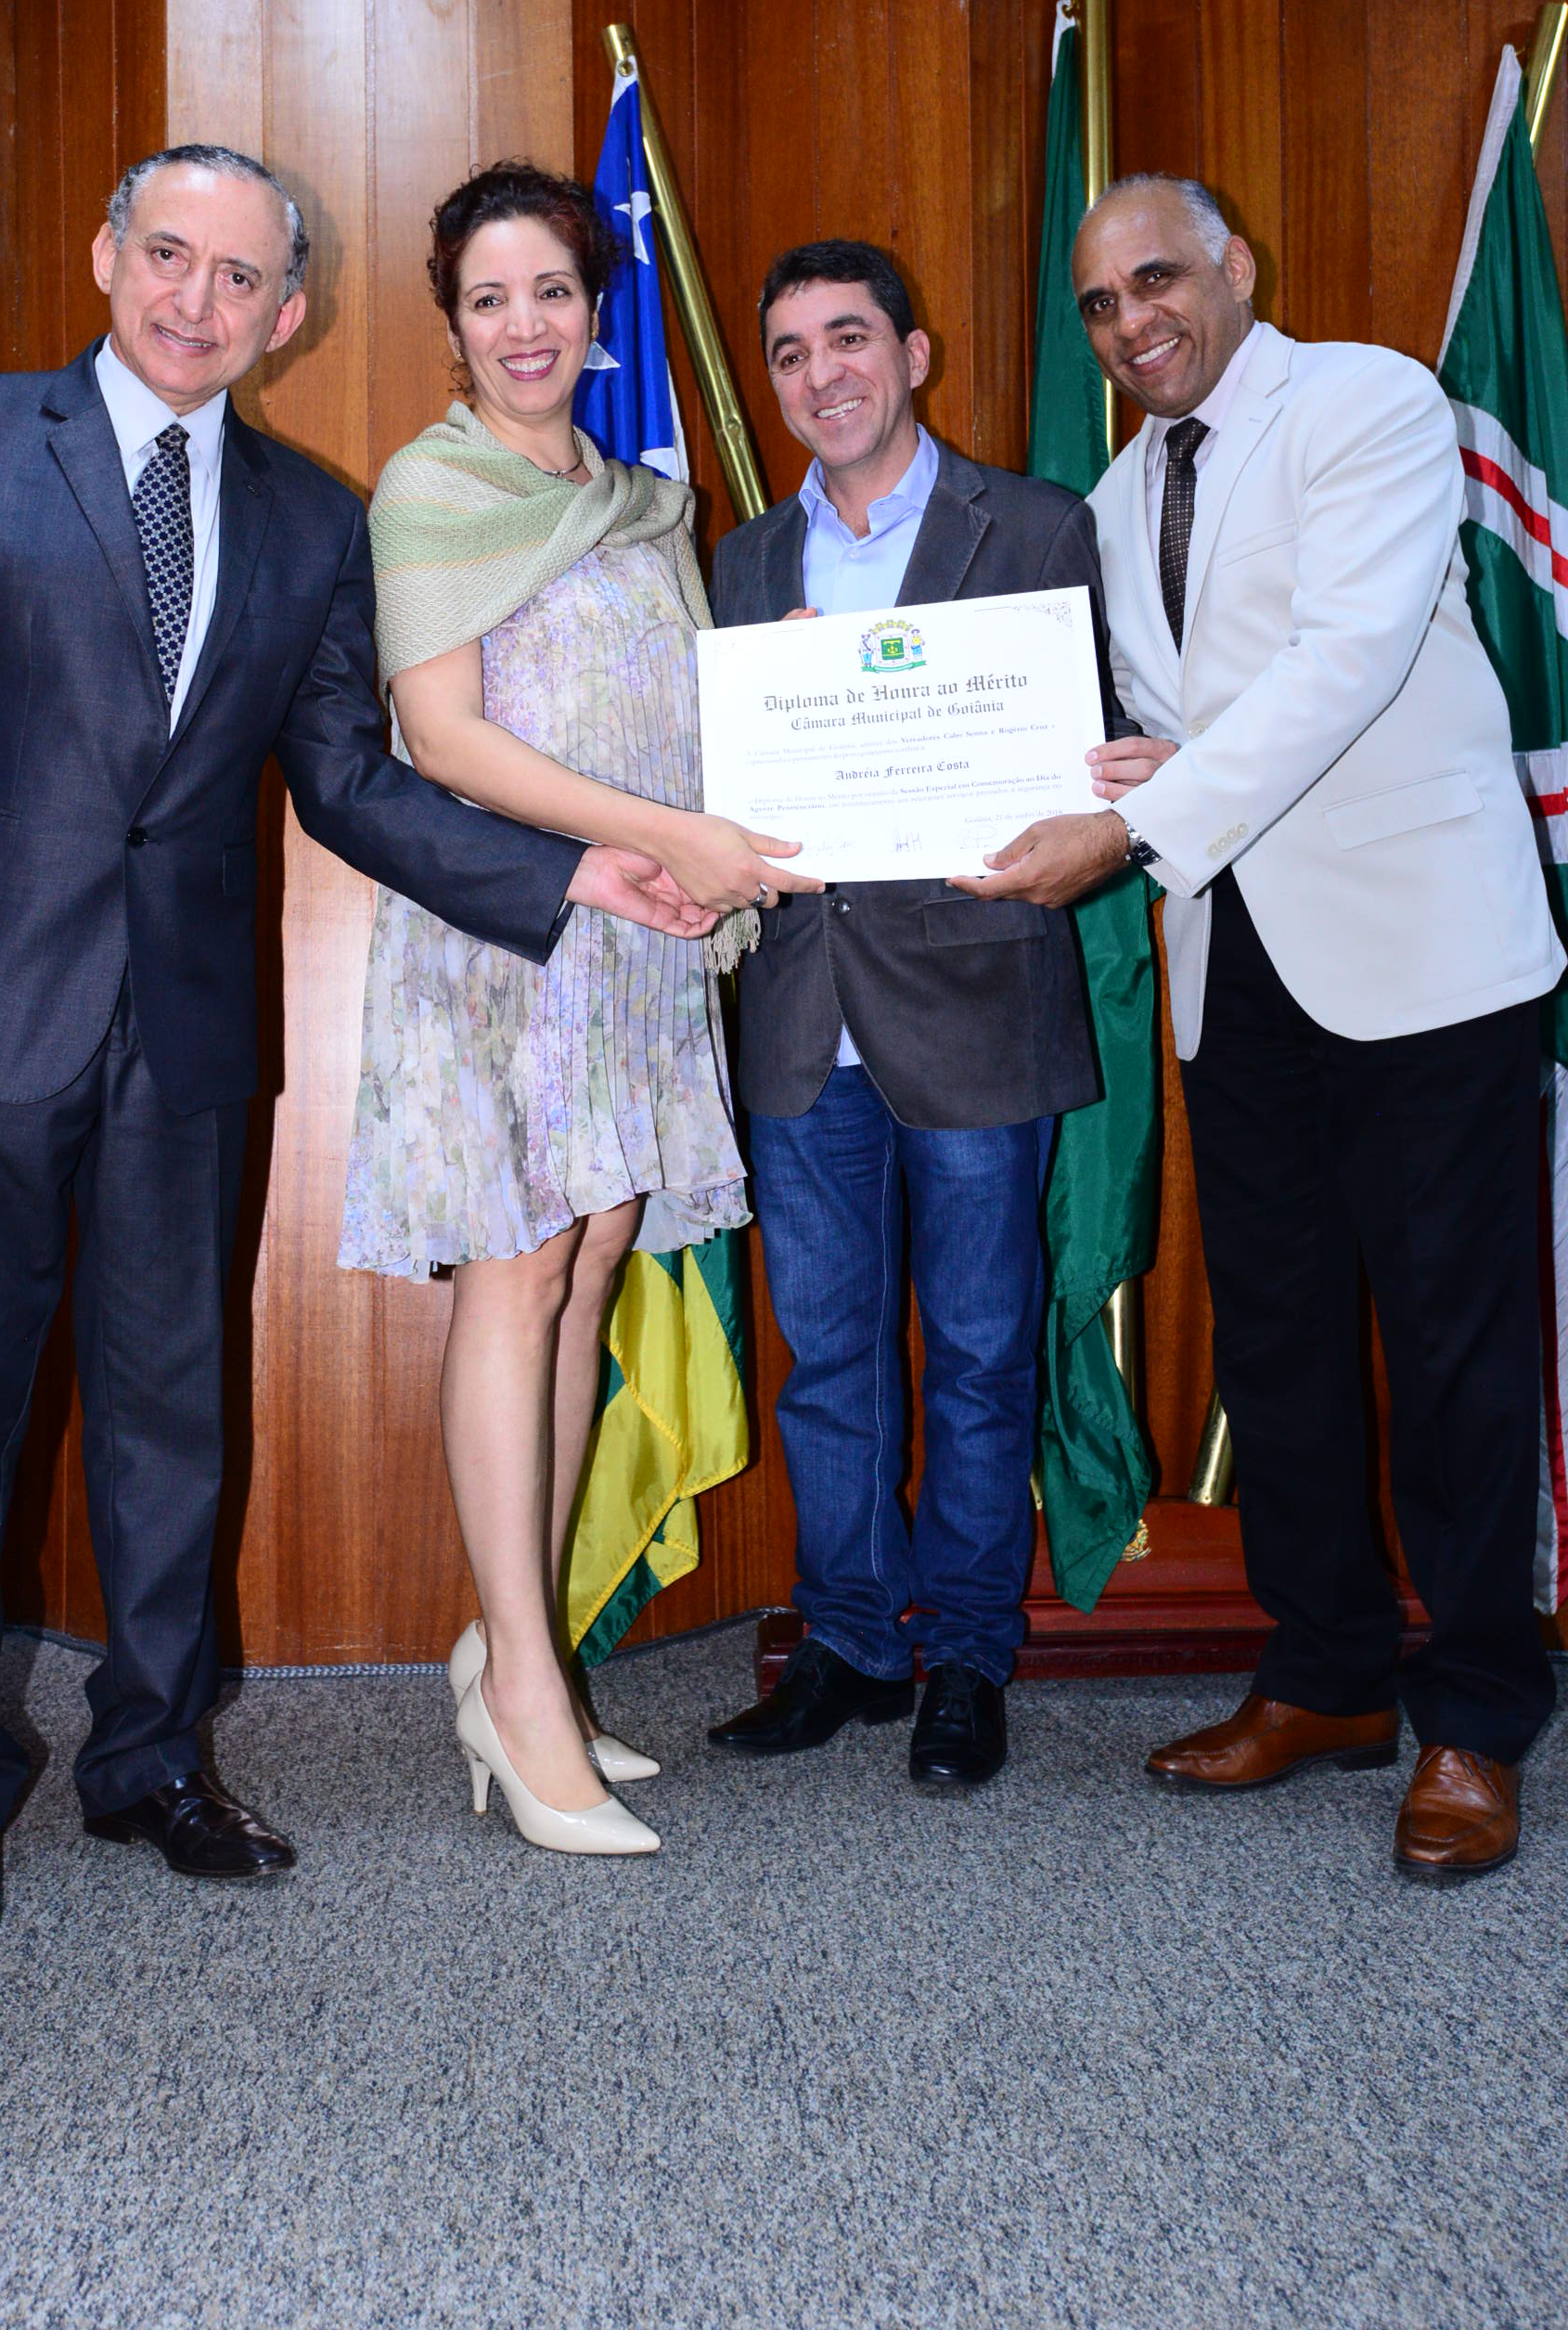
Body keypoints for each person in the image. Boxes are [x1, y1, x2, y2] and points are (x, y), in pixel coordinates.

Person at [0, 143, 717, 1962]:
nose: (198, 299)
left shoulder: (313, 518)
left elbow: (347, 782)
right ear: (106, 253)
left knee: (171, 1413)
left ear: (287, 314)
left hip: (187, 1036)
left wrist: (570, 873)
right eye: (170, 256)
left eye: (241, 278)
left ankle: (152, 1758)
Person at [956, 171, 1562, 1883]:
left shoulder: (1367, 399)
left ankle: (1476, 1714)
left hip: (1424, 958)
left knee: (1452, 1353)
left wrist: (1136, 822)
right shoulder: (1113, 495)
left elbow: (1346, 659)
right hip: (1242, 968)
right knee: (1281, 1347)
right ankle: (1326, 1676)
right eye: (1100, 304)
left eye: (1157, 278)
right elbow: (1156, 714)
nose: (1130, 322)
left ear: (1235, 263)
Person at [340, 161, 812, 1858]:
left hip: (638, 947)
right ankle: (529, 1694)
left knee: (592, 1269)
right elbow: (446, 738)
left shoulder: (641, 502)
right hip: (509, 940)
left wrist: (740, 793)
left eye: (550, 290)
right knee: (519, 1271)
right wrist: (656, 840)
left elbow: (674, 708)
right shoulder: (433, 486)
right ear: (455, 329)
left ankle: (510, 1647)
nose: (524, 325)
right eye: (490, 300)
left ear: (595, 311)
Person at [702, 238, 1120, 1789]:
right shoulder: (744, 562)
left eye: (849, 339)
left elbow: (1099, 749)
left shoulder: (1039, 525)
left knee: (983, 1354)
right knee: (827, 1359)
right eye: (791, 352)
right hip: (803, 1018)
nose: (822, 374)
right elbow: (722, 790)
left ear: (914, 354)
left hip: (978, 1005)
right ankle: (854, 1640)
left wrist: (1089, 815)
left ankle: (966, 1656)